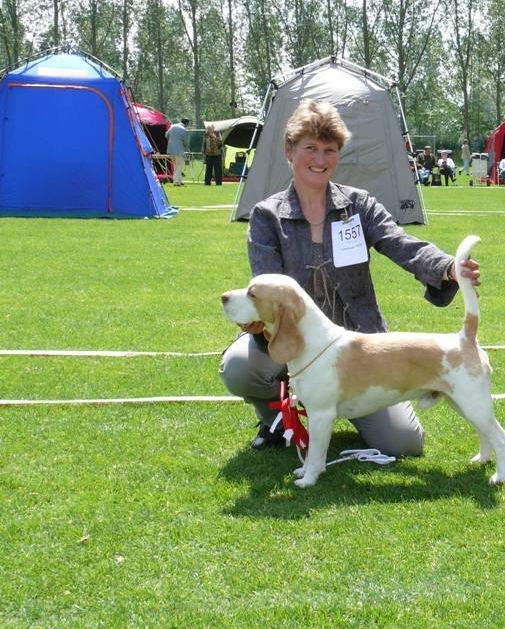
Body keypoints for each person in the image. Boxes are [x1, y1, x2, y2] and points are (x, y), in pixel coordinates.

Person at [219, 100, 480, 454]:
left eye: (330, 150)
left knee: (403, 444)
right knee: (240, 367)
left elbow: (402, 244)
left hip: (362, 354)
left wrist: (448, 267)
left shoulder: (360, 206)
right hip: (292, 343)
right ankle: (278, 421)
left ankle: (337, 409)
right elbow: (267, 285)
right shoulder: (267, 216)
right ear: (289, 150)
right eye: (310, 148)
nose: (320, 159)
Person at [166, 117, 191, 185]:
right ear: (186, 123)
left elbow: (166, 135)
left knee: (176, 166)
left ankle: (179, 180)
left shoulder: (172, 126)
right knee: (179, 166)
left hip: (170, 150)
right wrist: (188, 150)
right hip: (179, 150)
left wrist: (171, 142)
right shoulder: (184, 130)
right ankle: (176, 181)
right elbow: (185, 142)